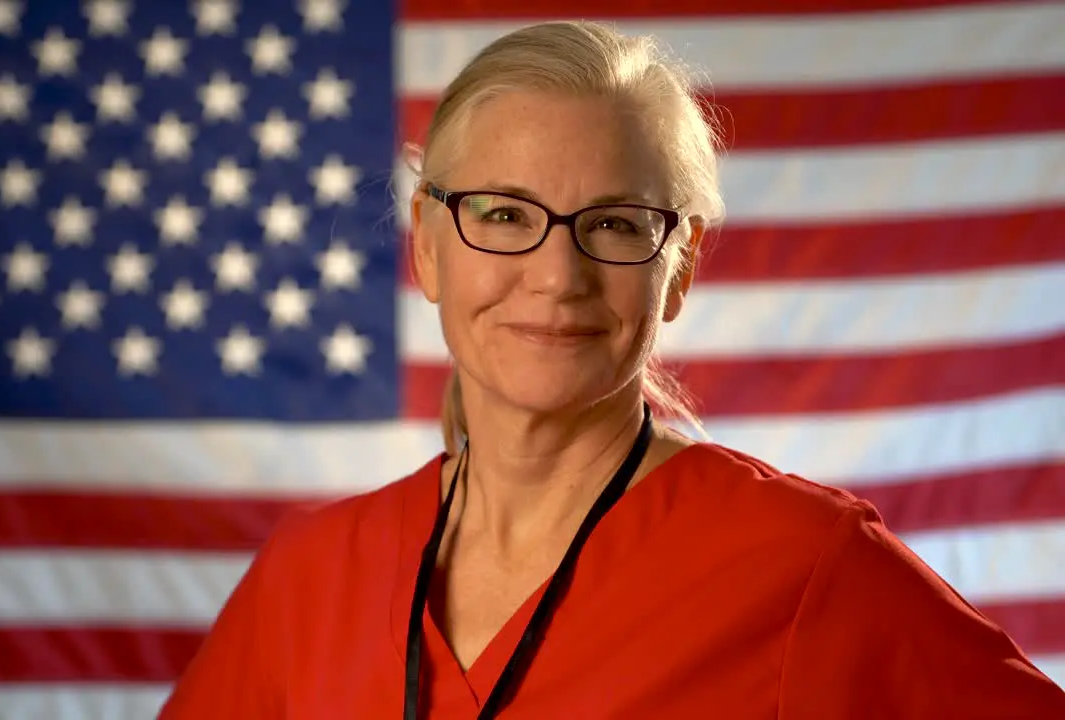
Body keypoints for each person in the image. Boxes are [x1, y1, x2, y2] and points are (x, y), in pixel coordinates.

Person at [158, 20, 1065, 719]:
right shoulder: (308, 577)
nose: (558, 277)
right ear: (427, 249)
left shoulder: (805, 568)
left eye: (617, 224)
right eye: (506, 215)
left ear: (683, 267)